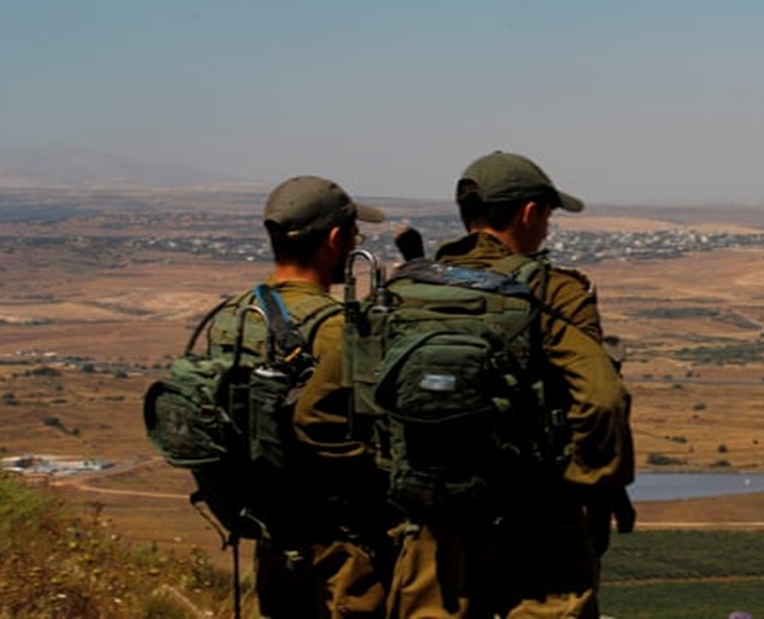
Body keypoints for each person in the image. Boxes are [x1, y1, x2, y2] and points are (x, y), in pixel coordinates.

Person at [386, 151, 635, 618]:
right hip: (535, 524)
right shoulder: (552, 290)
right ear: (528, 213)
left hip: (432, 520)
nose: (545, 228)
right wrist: (586, 486)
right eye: (546, 216)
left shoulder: (407, 289)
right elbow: (602, 400)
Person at [205, 175, 398, 617]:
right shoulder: (336, 329)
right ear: (335, 239)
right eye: (354, 235)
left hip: (273, 535)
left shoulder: (232, 317)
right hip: (340, 545)